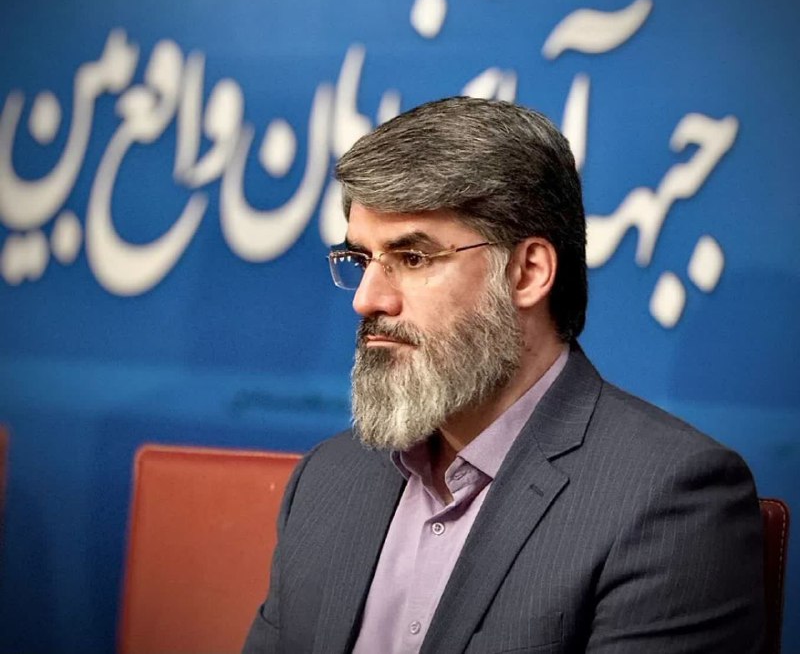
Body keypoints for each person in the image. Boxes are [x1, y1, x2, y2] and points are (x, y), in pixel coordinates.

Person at [243, 97, 764, 653]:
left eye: (413, 258)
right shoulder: (328, 479)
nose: (367, 299)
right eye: (361, 260)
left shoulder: (670, 500)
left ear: (527, 273)